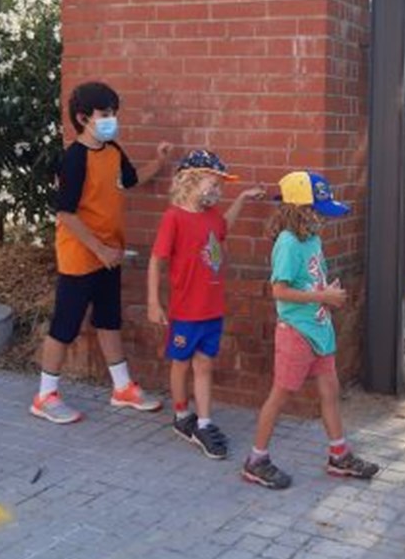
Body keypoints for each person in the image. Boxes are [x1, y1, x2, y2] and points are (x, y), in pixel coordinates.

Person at [30, 81, 172, 424]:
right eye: (105, 114)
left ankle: (122, 388)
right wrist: (99, 248)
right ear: (83, 118)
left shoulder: (112, 150)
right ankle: (45, 396)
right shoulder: (74, 159)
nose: (111, 120)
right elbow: (65, 214)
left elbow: (131, 179)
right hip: (81, 257)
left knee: (109, 320)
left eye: (114, 114)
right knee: (65, 325)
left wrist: (160, 160)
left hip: (110, 253)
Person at [241, 171, 380, 489]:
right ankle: (256, 459)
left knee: (330, 392)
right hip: (296, 332)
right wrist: (323, 296)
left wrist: (325, 292)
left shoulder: (312, 239)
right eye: (318, 211)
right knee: (280, 395)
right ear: (300, 210)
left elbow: (310, 280)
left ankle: (339, 455)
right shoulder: (288, 244)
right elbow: (279, 291)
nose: (323, 218)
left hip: (319, 329)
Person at [147, 150, 265, 459]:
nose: (217, 192)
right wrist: (153, 301)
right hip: (186, 311)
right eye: (212, 185)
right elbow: (156, 260)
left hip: (212, 309)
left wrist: (241, 198)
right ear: (190, 181)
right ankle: (182, 415)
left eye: (220, 187)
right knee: (181, 362)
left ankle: (204, 421)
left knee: (204, 365)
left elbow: (224, 226)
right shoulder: (174, 217)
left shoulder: (213, 216)